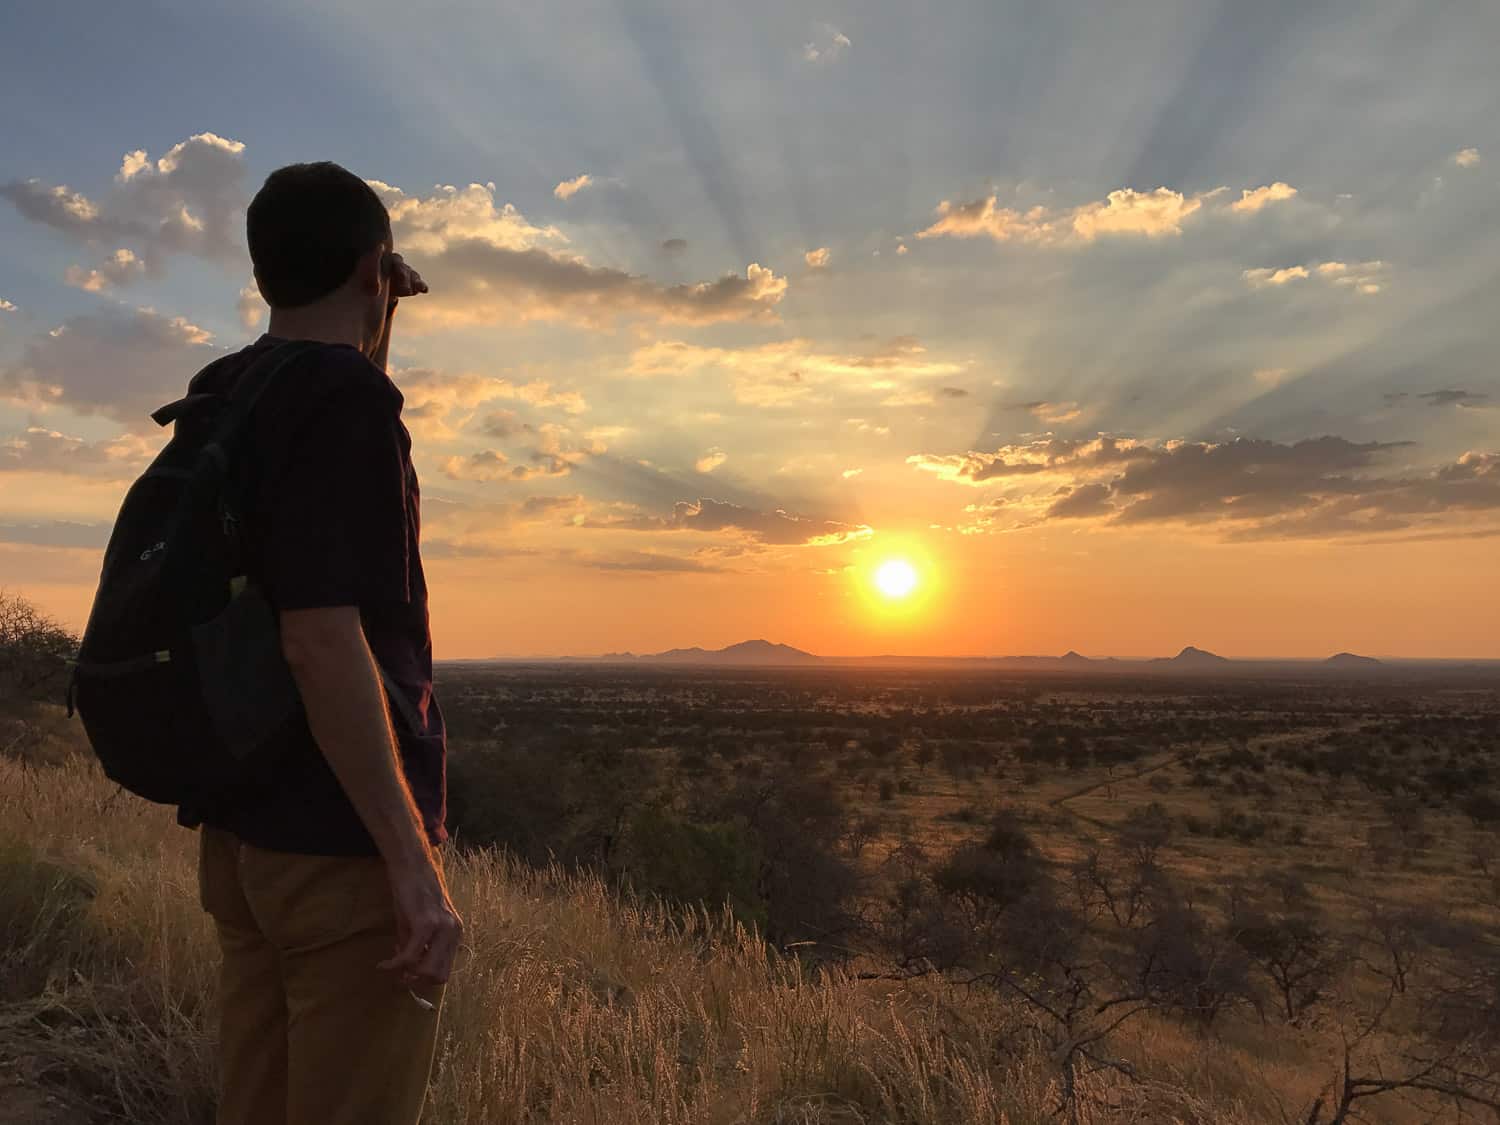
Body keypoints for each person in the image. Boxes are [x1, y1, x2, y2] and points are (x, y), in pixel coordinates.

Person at [185, 161, 463, 1125]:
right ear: (373, 265)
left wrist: (374, 320)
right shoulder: (346, 406)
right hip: (337, 848)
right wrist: (409, 864)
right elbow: (319, 638)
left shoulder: (227, 390)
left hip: (244, 833)